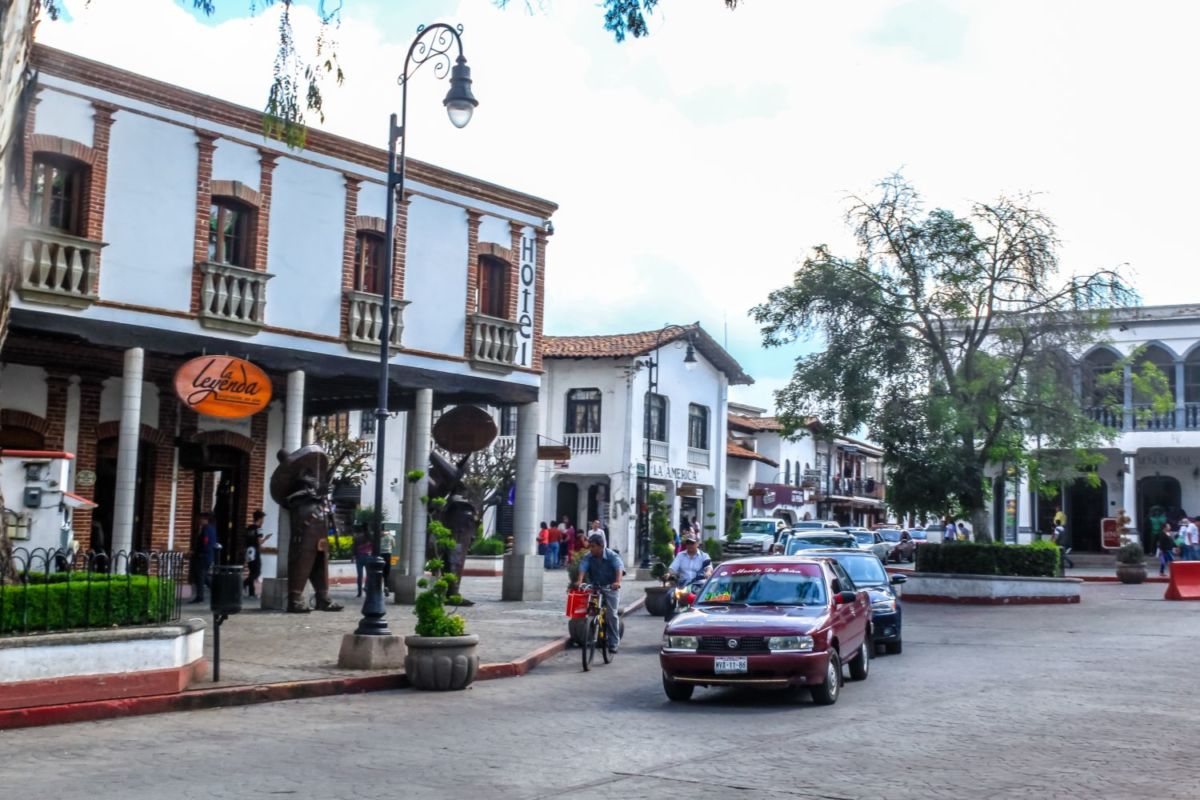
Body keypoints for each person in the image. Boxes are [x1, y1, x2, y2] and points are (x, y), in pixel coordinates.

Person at [575, 532, 624, 654]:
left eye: (593, 546)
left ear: (601, 546)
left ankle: (613, 642)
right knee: (590, 610)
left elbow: (619, 568)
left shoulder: (612, 556)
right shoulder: (589, 556)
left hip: (610, 587)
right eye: (590, 546)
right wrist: (580, 581)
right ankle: (591, 632)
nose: (591, 549)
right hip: (595, 587)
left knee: (611, 614)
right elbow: (583, 566)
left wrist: (617, 582)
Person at [189, 511, 218, 603]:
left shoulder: (206, 529)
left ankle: (200, 596)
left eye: (200, 518)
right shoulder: (212, 529)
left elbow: (205, 543)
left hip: (203, 556)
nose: (198, 520)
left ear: (205, 519)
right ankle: (216, 590)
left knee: (200, 576)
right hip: (208, 555)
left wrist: (197, 552)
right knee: (204, 576)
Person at [243, 510, 270, 598]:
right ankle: (244, 583)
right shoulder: (259, 529)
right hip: (255, 552)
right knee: (257, 572)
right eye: (263, 518)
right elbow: (259, 542)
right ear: (260, 518)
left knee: (252, 572)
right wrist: (266, 538)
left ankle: (251, 593)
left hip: (248, 552)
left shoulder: (249, 528)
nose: (263, 521)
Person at [352, 529, 372, 597]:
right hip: (368, 557)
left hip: (359, 557)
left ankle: (359, 592)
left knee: (359, 576)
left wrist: (353, 556)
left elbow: (354, 548)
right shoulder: (370, 537)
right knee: (369, 574)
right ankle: (366, 586)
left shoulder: (357, 538)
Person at [380, 526, 396, 596]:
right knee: (387, 573)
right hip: (388, 554)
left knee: (379, 572)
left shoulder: (379, 536)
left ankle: (377, 588)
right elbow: (394, 545)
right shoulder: (390, 536)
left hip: (380, 555)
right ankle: (386, 587)